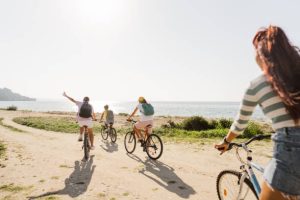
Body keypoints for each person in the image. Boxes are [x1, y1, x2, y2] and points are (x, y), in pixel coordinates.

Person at [215, 26, 300, 200]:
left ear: (262, 53)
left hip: (290, 153)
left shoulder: (257, 85)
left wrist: (226, 141)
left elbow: (240, 123)